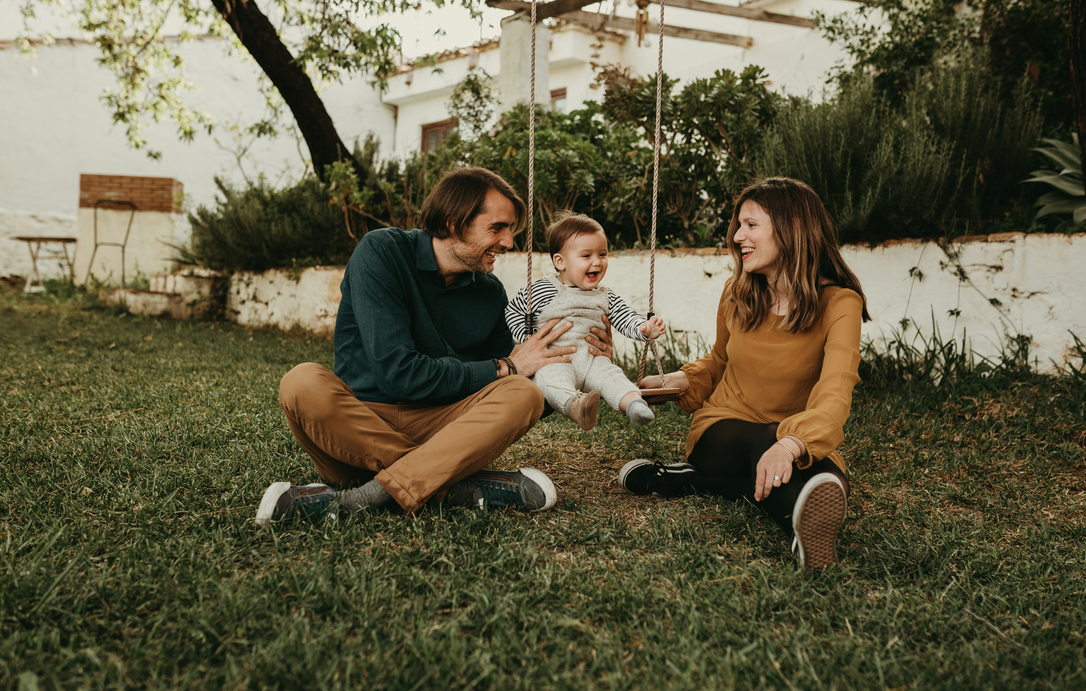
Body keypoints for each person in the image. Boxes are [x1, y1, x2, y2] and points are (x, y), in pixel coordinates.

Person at [255, 167, 617, 526]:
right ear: (456, 223)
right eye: (497, 228)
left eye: (509, 230)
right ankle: (453, 483)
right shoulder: (382, 252)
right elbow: (399, 373)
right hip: (360, 429)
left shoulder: (489, 292)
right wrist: (503, 366)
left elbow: (523, 381)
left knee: (521, 394)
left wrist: (583, 365)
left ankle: (356, 500)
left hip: (444, 427)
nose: (508, 242)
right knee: (301, 382)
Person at [616, 177, 870, 573]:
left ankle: (686, 482)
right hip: (723, 432)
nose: (737, 236)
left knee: (821, 473)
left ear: (792, 228)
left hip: (793, 434)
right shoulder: (737, 292)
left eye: (751, 225)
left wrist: (790, 445)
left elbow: (835, 392)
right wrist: (680, 381)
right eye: (739, 225)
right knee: (800, 470)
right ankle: (797, 526)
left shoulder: (840, 304)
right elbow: (718, 360)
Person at [503, 211, 665, 431]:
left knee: (612, 377)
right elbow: (513, 310)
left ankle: (634, 405)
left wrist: (644, 328)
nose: (597, 262)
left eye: (602, 254)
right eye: (586, 256)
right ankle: (576, 407)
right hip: (554, 359)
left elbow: (626, 317)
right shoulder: (542, 289)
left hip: (593, 359)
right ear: (560, 262)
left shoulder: (605, 295)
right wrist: (529, 340)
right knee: (551, 381)